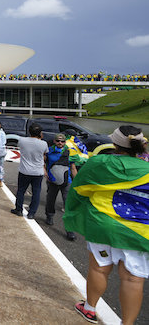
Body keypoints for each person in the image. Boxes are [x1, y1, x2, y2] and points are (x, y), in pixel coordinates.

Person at [65, 125, 149, 324]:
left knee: (99, 268)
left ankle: (90, 309)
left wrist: (74, 211)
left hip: (103, 224)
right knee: (133, 278)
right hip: (140, 231)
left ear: (114, 143)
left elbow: (80, 188)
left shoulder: (100, 162)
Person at [11, 123, 48, 219]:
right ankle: (31, 213)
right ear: (40, 133)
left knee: (21, 190)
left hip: (24, 171)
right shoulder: (43, 143)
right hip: (38, 172)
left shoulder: (22, 140)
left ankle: (18, 209)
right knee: (36, 193)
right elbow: (44, 154)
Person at [44, 133, 77, 241]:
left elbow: (73, 167)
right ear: (54, 141)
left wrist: (76, 181)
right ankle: (49, 215)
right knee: (50, 200)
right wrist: (45, 172)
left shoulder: (69, 151)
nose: (60, 143)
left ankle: (70, 230)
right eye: (58, 141)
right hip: (53, 180)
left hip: (67, 181)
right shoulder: (49, 151)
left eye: (62, 141)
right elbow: (42, 161)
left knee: (68, 204)